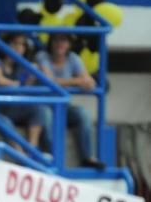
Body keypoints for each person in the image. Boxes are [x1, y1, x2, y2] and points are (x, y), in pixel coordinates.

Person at [35, 33, 105, 169]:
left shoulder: (73, 58)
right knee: (46, 115)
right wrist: (76, 81)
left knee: (82, 114)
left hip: (63, 106)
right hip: (43, 104)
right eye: (56, 40)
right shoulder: (42, 56)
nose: (60, 44)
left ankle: (87, 156)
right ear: (51, 42)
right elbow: (49, 81)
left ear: (69, 44)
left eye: (64, 40)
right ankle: (51, 156)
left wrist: (77, 81)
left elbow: (90, 83)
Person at [0, 33, 51, 153]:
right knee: (6, 122)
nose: (18, 47)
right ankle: (21, 156)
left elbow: (28, 87)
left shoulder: (20, 67)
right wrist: (16, 84)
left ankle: (32, 150)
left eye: (22, 45)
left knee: (39, 109)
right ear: (6, 45)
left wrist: (32, 76)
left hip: (8, 107)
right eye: (15, 43)